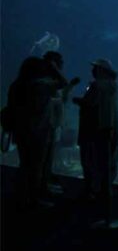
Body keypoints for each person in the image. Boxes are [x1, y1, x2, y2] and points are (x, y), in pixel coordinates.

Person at [6, 57, 61, 209]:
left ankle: (21, 196)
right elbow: (62, 83)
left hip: (21, 130)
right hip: (38, 131)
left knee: (25, 164)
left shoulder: (16, 85)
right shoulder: (40, 86)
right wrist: (54, 69)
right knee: (36, 166)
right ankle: (33, 199)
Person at [73, 58, 118, 227]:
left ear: (101, 70)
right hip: (109, 129)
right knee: (107, 163)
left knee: (92, 160)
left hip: (94, 129)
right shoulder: (113, 85)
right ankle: (104, 194)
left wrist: (77, 100)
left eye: (95, 68)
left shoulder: (96, 85)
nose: (93, 70)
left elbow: (90, 103)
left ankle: (95, 196)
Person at [41, 51, 80, 195]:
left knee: (47, 160)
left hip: (51, 127)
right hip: (42, 128)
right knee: (38, 161)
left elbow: (62, 98)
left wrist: (71, 86)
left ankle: (43, 185)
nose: (62, 64)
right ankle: (34, 194)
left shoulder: (50, 84)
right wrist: (54, 68)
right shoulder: (44, 82)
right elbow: (61, 87)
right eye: (59, 62)